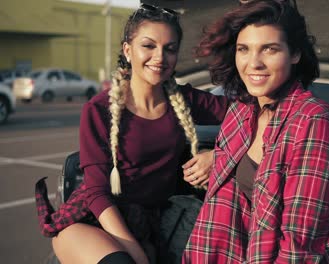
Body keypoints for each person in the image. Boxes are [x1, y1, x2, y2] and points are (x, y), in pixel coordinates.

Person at [34, 1, 228, 263]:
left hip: (145, 222)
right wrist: (135, 252)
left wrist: (218, 155)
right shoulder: (99, 109)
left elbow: (251, 113)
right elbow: (96, 193)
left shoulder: (186, 99)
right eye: (148, 46)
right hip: (93, 222)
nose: (159, 57)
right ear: (128, 50)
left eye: (169, 49)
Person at [183, 0, 329, 263]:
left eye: (269, 49)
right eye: (243, 49)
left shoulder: (315, 123)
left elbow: (299, 242)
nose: (254, 63)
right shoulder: (241, 111)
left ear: (294, 54)